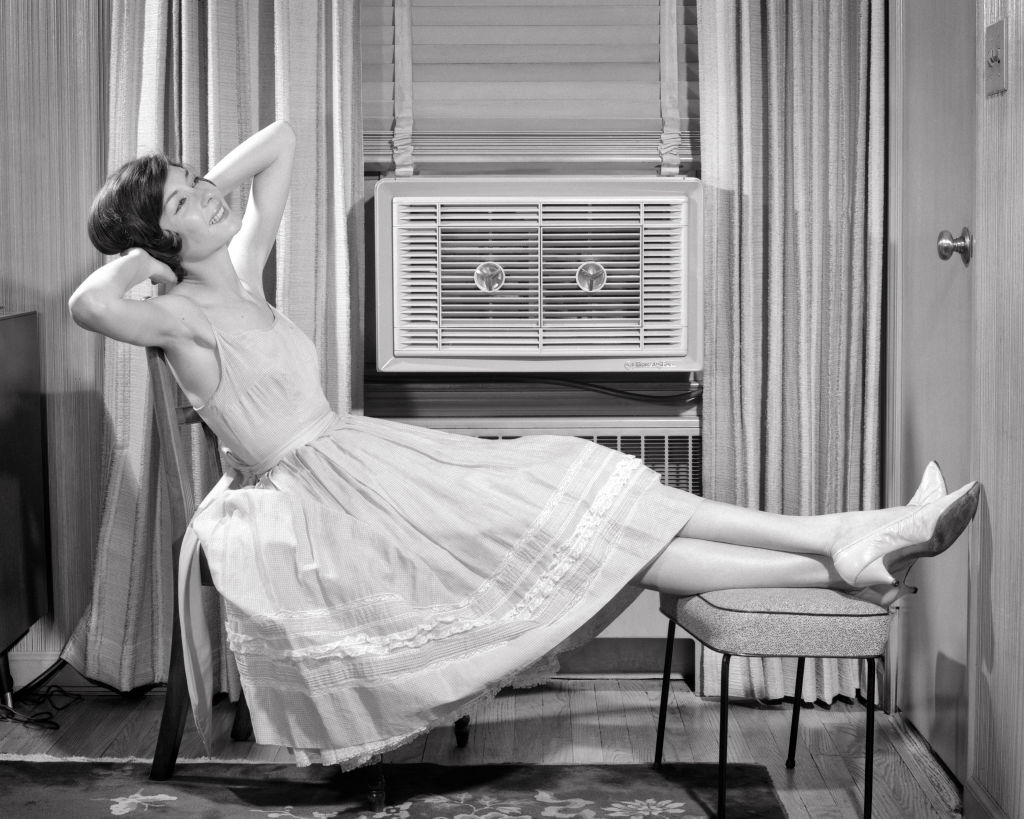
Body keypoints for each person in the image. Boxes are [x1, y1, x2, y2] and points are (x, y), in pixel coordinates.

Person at [69, 121, 980, 769]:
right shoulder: (177, 317)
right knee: (600, 516)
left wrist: (187, 196)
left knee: (598, 499)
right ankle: (846, 544)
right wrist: (148, 237)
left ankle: (847, 547)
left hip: (364, 459)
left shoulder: (239, 268)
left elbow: (280, 142)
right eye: (188, 200)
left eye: (200, 180)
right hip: (319, 500)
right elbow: (86, 302)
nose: (214, 194)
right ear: (157, 240)